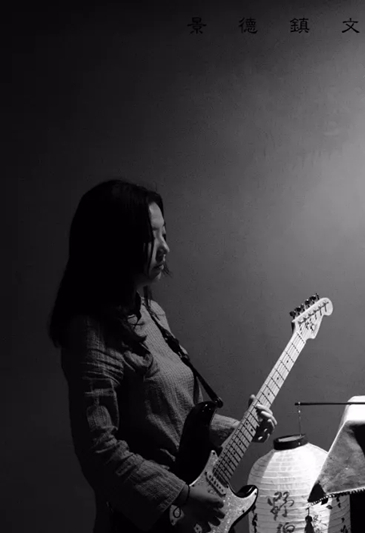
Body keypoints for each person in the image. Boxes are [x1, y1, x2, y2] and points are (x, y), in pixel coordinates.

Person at [49, 180, 277, 533]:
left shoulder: (151, 311)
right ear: (114, 242)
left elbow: (176, 418)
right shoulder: (90, 330)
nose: (165, 248)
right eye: (151, 237)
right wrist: (181, 496)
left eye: (164, 234)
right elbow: (99, 451)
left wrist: (240, 429)